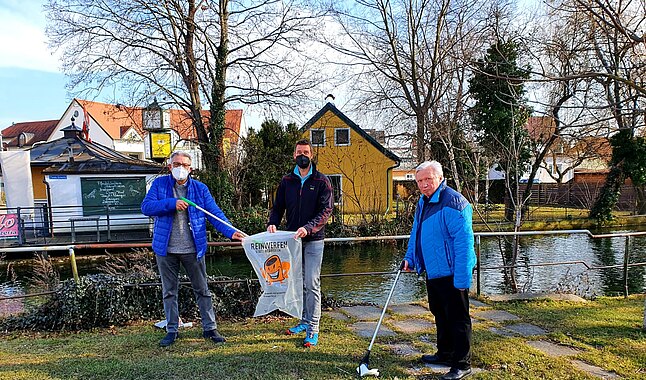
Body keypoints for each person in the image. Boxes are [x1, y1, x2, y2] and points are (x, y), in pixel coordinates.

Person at [141, 151, 245, 347]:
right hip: (166, 249)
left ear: (191, 168)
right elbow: (146, 207)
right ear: (170, 166)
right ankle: (172, 329)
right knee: (169, 291)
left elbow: (214, 214)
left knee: (202, 289)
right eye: (177, 164)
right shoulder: (159, 185)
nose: (180, 168)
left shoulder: (200, 189)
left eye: (185, 165)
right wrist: (171, 204)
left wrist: (231, 232)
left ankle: (210, 328)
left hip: (193, 249)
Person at [402, 160, 476, 380]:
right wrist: (410, 258)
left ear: (440, 178)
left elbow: (464, 243)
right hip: (433, 270)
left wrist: (462, 280)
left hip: (453, 272)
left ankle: (462, 364)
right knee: (439, 313)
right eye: (420, 181)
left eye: (428, 179)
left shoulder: (455, 203)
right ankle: (445, 353)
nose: (424, 185)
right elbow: (417, 231)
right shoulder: (424, 202)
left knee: (458, 318)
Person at [267, 138, 333, 347]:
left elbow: (326, 211)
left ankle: (313, 328)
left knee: (312, 283)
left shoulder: (322, 181)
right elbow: (278, 207)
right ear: (294, 155)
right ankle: (304, 321)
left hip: (313, 240)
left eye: (306, 152)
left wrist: (309, 228)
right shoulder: (287, 181)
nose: (302, 155)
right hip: (292, 241)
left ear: (311, 155)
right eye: (298, 152)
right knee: (299, 282)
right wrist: (273, 223)